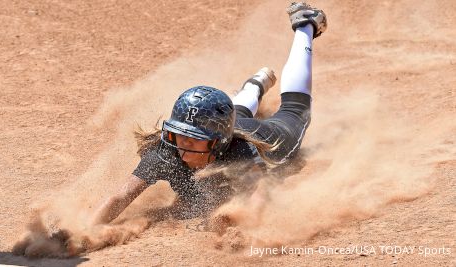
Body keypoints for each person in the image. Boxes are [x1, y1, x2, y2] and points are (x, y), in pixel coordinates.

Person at [91, 2, 327, 225]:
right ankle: (254, 87)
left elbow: (258, 199)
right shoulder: (166, 151)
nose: (183, 145)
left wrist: (237, 223)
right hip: (227, 124)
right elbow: (119, 198)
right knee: (236, 112)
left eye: (194, 139)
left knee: (296, 109)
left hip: (268, 134)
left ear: (218, 143)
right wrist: (83, 232)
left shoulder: (243, 152)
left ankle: (305, 24)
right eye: (180, 134)